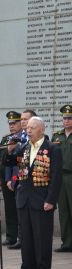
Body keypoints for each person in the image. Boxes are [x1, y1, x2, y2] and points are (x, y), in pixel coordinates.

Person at [5, 117, 62, 269]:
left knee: (42, 235)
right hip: (24, 198)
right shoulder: (24, 147)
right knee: (26, 235)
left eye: (32, 128)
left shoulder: (52, 148)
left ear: (42, 129)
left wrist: (51, 200)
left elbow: (56, 176)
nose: (28, 130)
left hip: (42, 199)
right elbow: (8, 163)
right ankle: (27, 266)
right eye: (27, 128)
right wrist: (9, 150)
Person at [0, 111, 23, 249]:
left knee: (19, 209)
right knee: (9, 208)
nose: (12, 126)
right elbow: (0, 161)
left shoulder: (23, 138)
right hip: (5, 178)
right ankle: (11, 236)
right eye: (10, 123)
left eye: (15, 123)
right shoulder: (5, 139)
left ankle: (20, 237)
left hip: (19, 178)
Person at [52, 104, 72, 252]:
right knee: (63, 212)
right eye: (65, 118)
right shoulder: (56, 136)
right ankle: (66, 243)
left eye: (70, 118)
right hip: (61, 177)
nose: (67, 121)